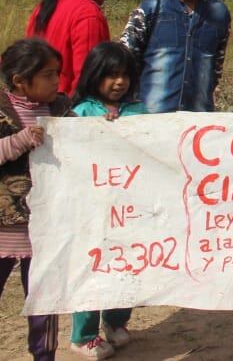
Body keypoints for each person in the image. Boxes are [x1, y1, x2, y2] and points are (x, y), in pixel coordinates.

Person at [0, 38, 68, 361]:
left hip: (45, 234)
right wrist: (19, 141)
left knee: (44, 309)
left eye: (57, 73)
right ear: (20, 81)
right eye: (48, 75)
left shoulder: (61, 111)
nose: (56, 81)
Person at [66, 43, 145, 358]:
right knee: (92, 267)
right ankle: (83, 335)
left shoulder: (140, 112)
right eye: (111, 75)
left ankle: (116, 321)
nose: (119, 82)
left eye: (125, 75)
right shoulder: (80, 113)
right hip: (91, 210)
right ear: (94, 75)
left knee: (128, 265)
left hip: (130, 209)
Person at [120, 0, 231, 113]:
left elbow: (216, 68)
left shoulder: (219, 14)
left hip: (197, 118)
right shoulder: (152, 8)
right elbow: (123, 60)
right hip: (150, 115)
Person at [26, 0, 118, 96]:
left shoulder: (48, 3)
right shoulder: (88, 14)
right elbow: (87, 75)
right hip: (64, 102)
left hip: (36, 96)